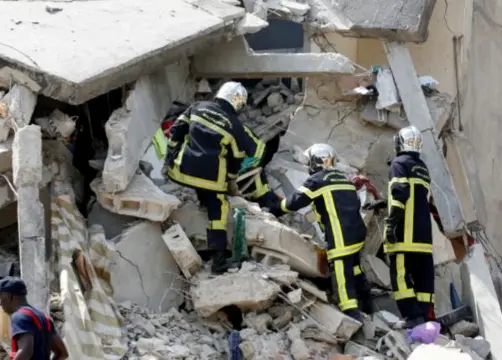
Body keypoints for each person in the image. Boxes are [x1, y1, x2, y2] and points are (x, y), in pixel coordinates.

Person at [166, 81, 269, 273]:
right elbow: (237, 158)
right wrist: (230, 180)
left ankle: (202, 200)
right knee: (219, 208)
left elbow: (176, 130)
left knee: (206, 193)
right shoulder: (234, 125)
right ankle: (219, 260)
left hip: (180, 171)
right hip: (210, 179)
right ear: (238, 101)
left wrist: (170, 157)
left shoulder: (197, 107)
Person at [272, 143, 373, 321]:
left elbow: (295, 202)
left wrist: (273, 209)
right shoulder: (344, 178)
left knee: (342, 273)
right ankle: (368, 305)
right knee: (355, 268)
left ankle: (351, 312)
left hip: (340, 235)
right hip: (356, 233)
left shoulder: (318, 180)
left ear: (314, 162)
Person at [384, 125, 437, 328]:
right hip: (423, 238)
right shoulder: (422, 168)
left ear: (399, 142)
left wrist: (391, 224)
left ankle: (411, 318)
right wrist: (383, 203)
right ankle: (424, 319)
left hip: (404, 236)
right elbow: (419, 198)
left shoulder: (399, 163)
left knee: (401, 278)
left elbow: (400, 193)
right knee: (423, 281)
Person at [0, 277, 68, 360]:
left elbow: (25, 352)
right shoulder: (45, 318)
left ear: (9, 296)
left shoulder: (19, 317)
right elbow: (62, 353)